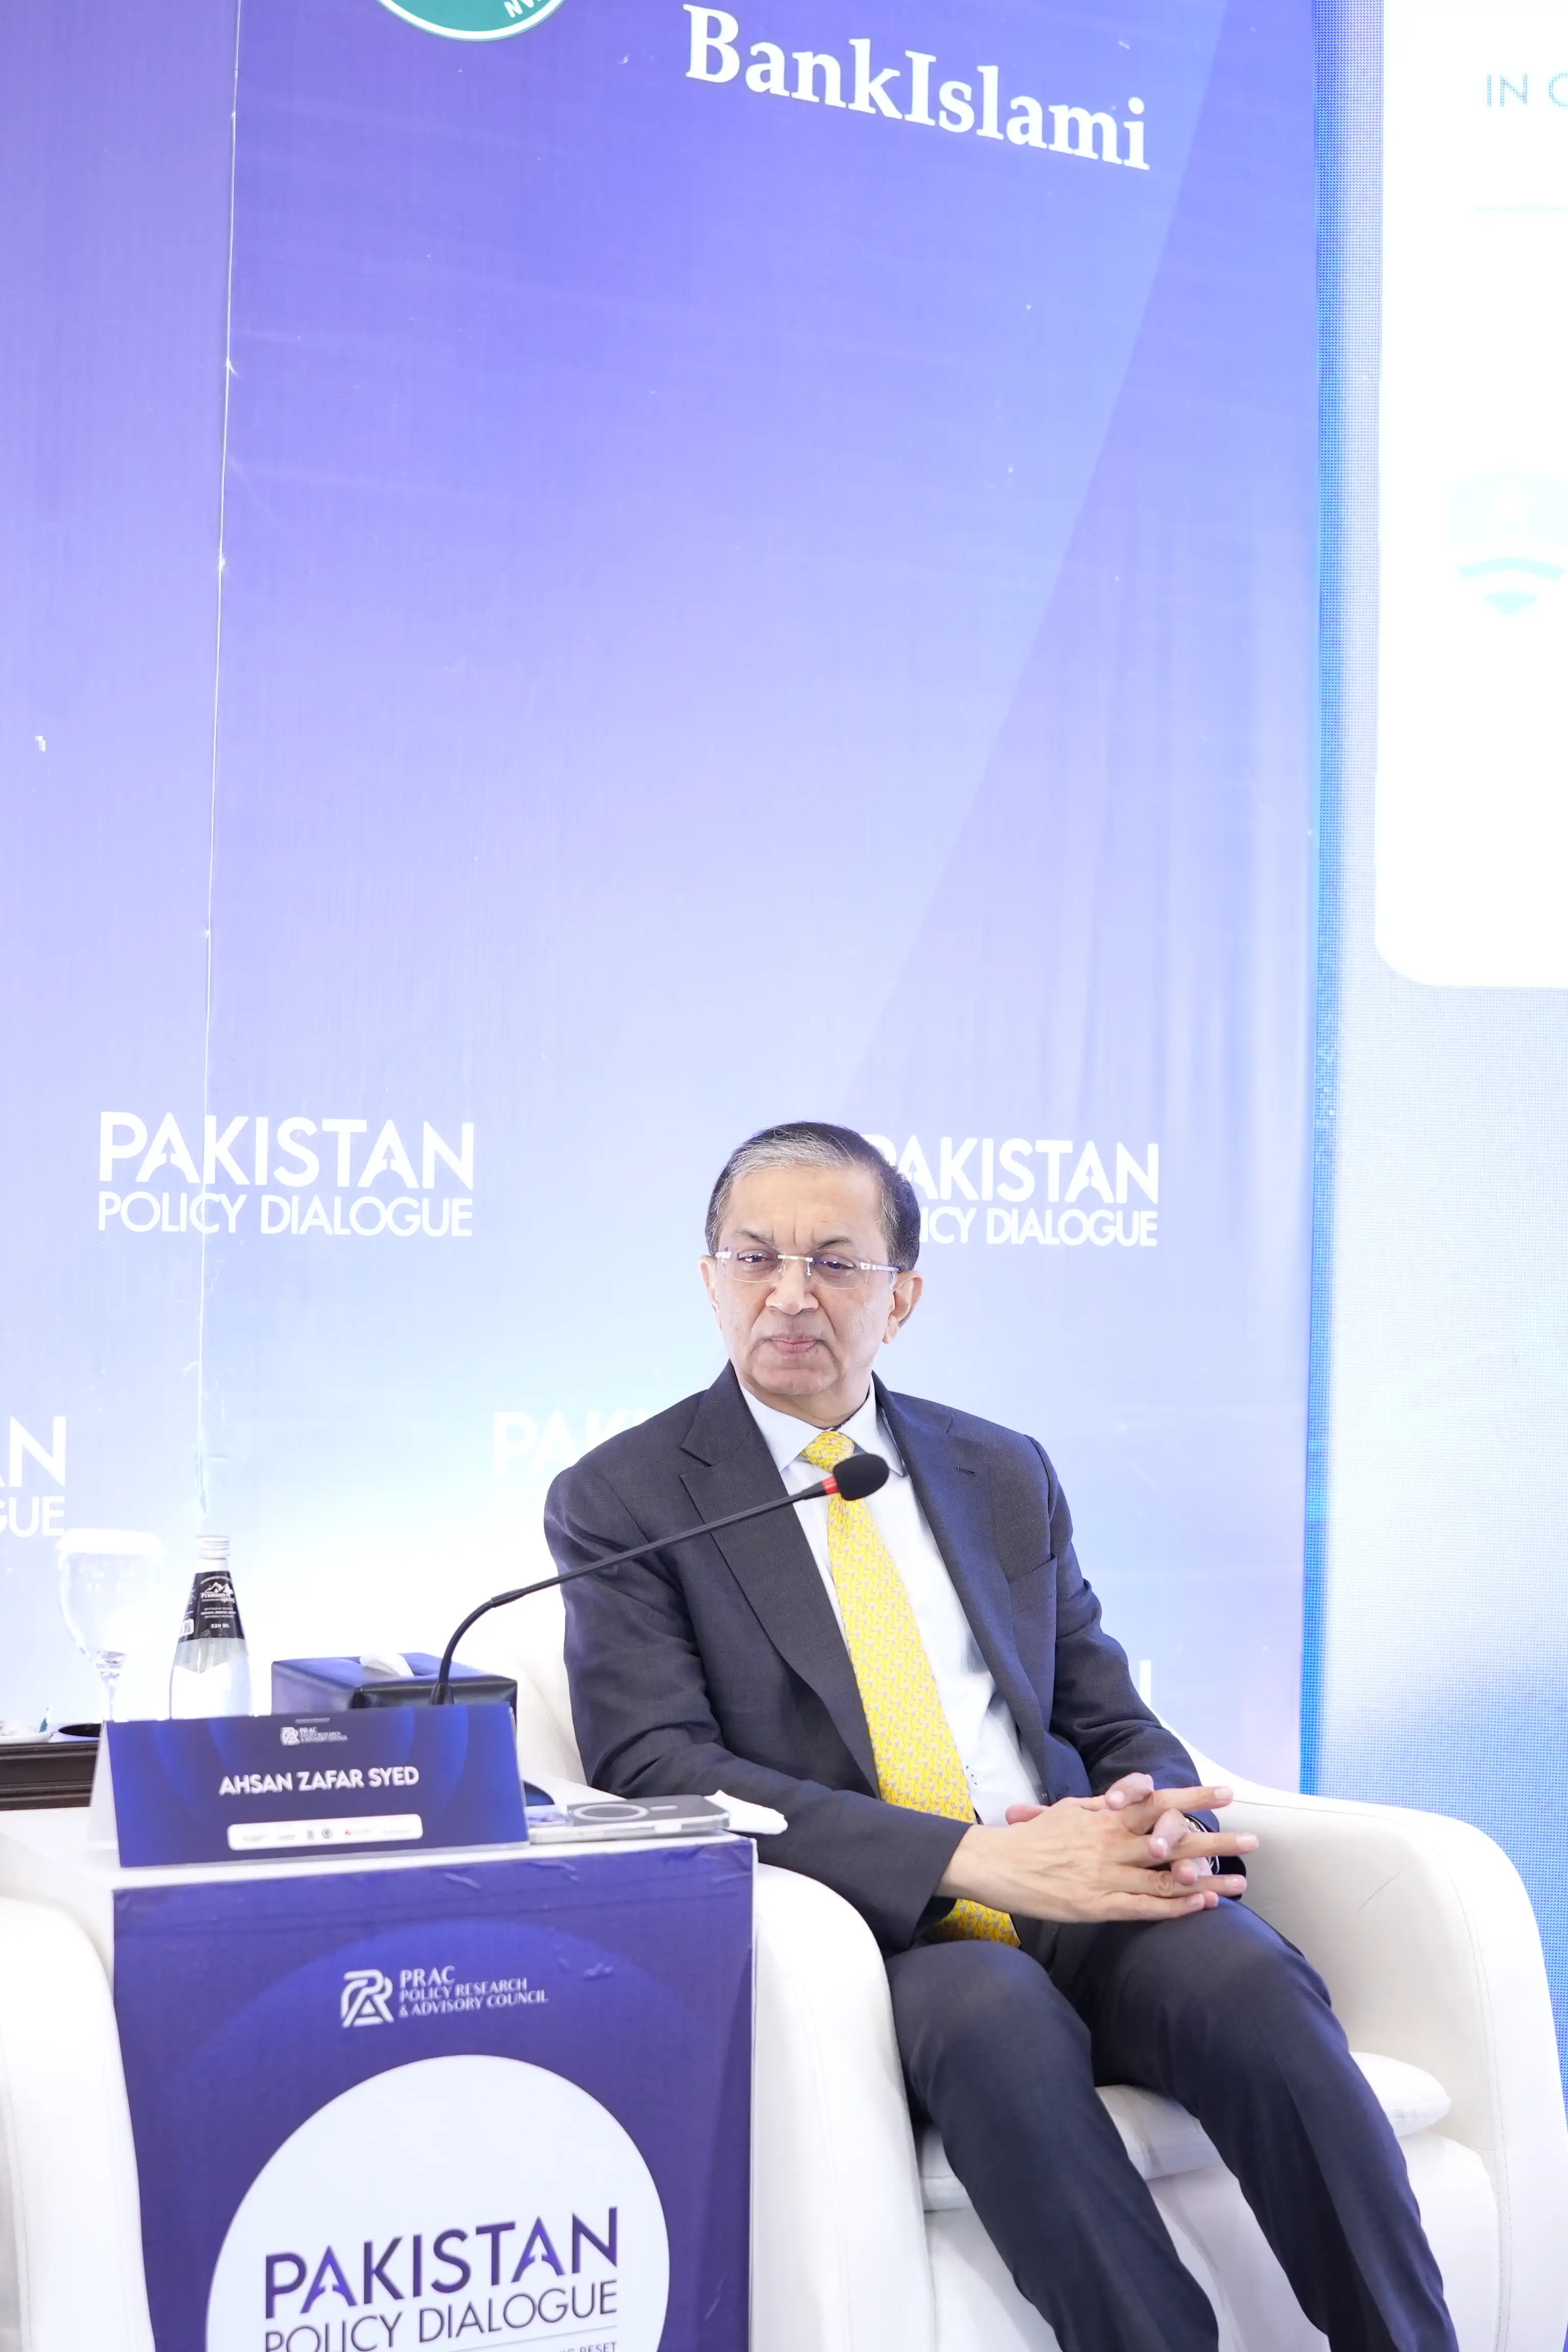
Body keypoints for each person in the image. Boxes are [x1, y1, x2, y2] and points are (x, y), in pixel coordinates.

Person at [545, 1121, 1457, 2352]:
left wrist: (1150, 1816)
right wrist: (970, 1860)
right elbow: (656, 1764)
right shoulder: (626, 1498)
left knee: (1249, 1981)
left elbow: (1106, 1709)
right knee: (995, 2022)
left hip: (1080, 1892)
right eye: (756, 1258)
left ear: (901, 1297)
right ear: (711, 1278)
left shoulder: (1000, 1470)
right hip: (882, 1935)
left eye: (835, 1262)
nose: (790, 1294)